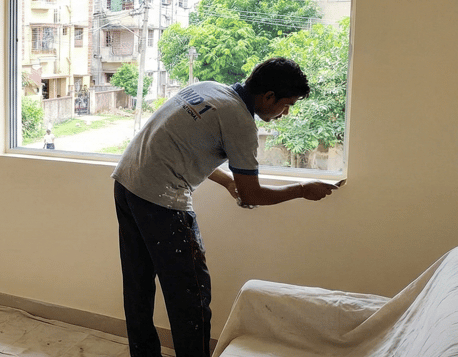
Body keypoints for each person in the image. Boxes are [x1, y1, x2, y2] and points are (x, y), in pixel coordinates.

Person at [111, 57, 338, 357]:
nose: (285, 113)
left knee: (138, 285)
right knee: (190, 296)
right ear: (268, 96)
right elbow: (252, 194)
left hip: (127, 182)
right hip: (160, 200)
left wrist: (229, 182)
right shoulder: (241, 122)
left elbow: (186, 147)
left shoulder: (210, 89)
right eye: (287, 105)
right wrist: (301, 190)